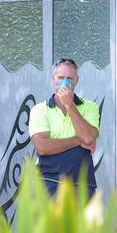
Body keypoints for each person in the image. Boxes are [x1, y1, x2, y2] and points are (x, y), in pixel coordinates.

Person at [29, 58, 100, 196]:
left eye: (70, 78)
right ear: (53, 79)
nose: (65, 82)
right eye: (61, 77)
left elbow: (88, 137)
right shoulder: (40, 110)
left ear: (77, 80)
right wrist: (78, 141)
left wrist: (69, 105)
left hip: (82, 182)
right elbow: (43, 147)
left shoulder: (90, 107)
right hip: (49, 181)